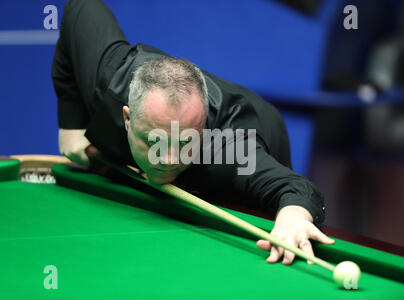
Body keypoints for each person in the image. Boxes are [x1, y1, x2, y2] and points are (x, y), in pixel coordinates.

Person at [52, 0, 334, 265]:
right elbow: (80, 6)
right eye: (156, 141)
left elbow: (298, 189)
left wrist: (293, 218)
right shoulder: (108, 81)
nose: (171, 158)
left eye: (186, 142)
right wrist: (71, 122)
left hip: (261, 130)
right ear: (127, 118)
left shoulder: (229, 150)